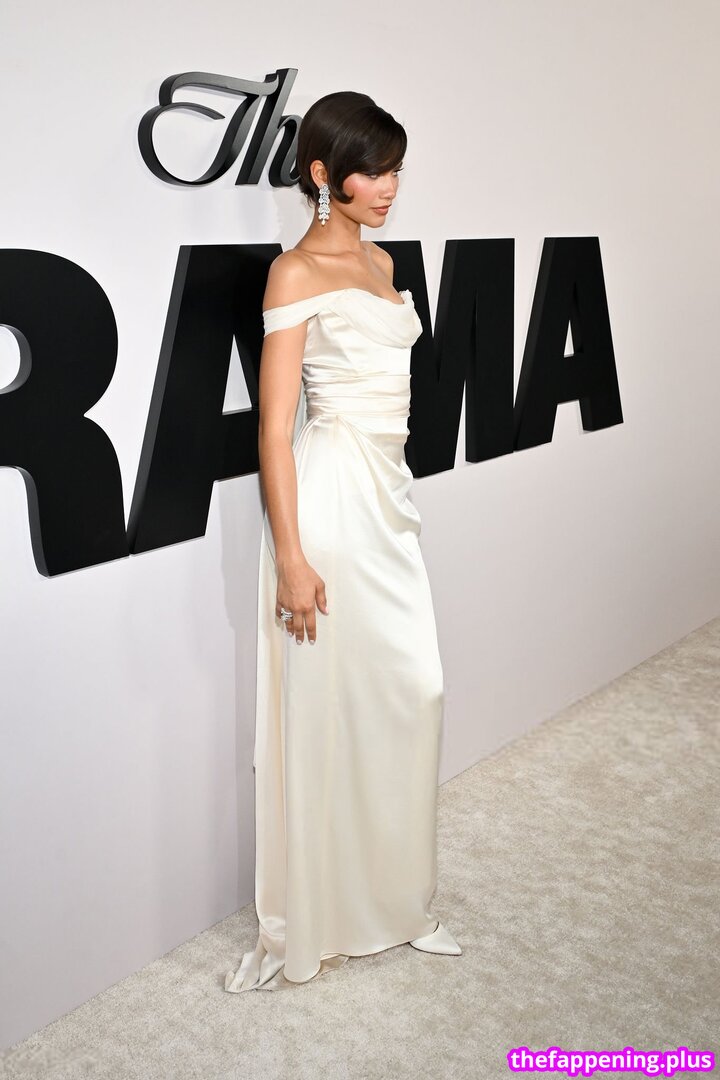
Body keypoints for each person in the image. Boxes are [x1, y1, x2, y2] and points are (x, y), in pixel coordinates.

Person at [224, 90, 461, 993]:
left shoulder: (382, 258)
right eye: (374, 171)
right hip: (328, 501)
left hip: (388, 499)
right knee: (327, 707)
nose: (390, 187)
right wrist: (291, 557)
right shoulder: (294, 273)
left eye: (396, 169)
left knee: (409, 692)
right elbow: (273, 429)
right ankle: (322, 916)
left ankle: (397, 903)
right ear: (325, 175)